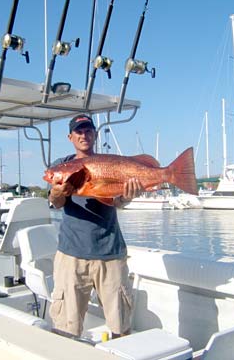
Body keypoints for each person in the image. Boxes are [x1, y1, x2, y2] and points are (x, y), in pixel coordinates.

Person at [48, 114, 143, 339]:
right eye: (79, 131)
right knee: (65, 329)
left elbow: (116, 201)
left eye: (88, 130)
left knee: (121, 327)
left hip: (110, 253)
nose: (84, 135)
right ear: (70, 137)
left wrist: (127, 196)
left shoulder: (108, 164)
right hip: (71, 256)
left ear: (95, 135)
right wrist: (56, 191)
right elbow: (56, 202)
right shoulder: (61, 166)